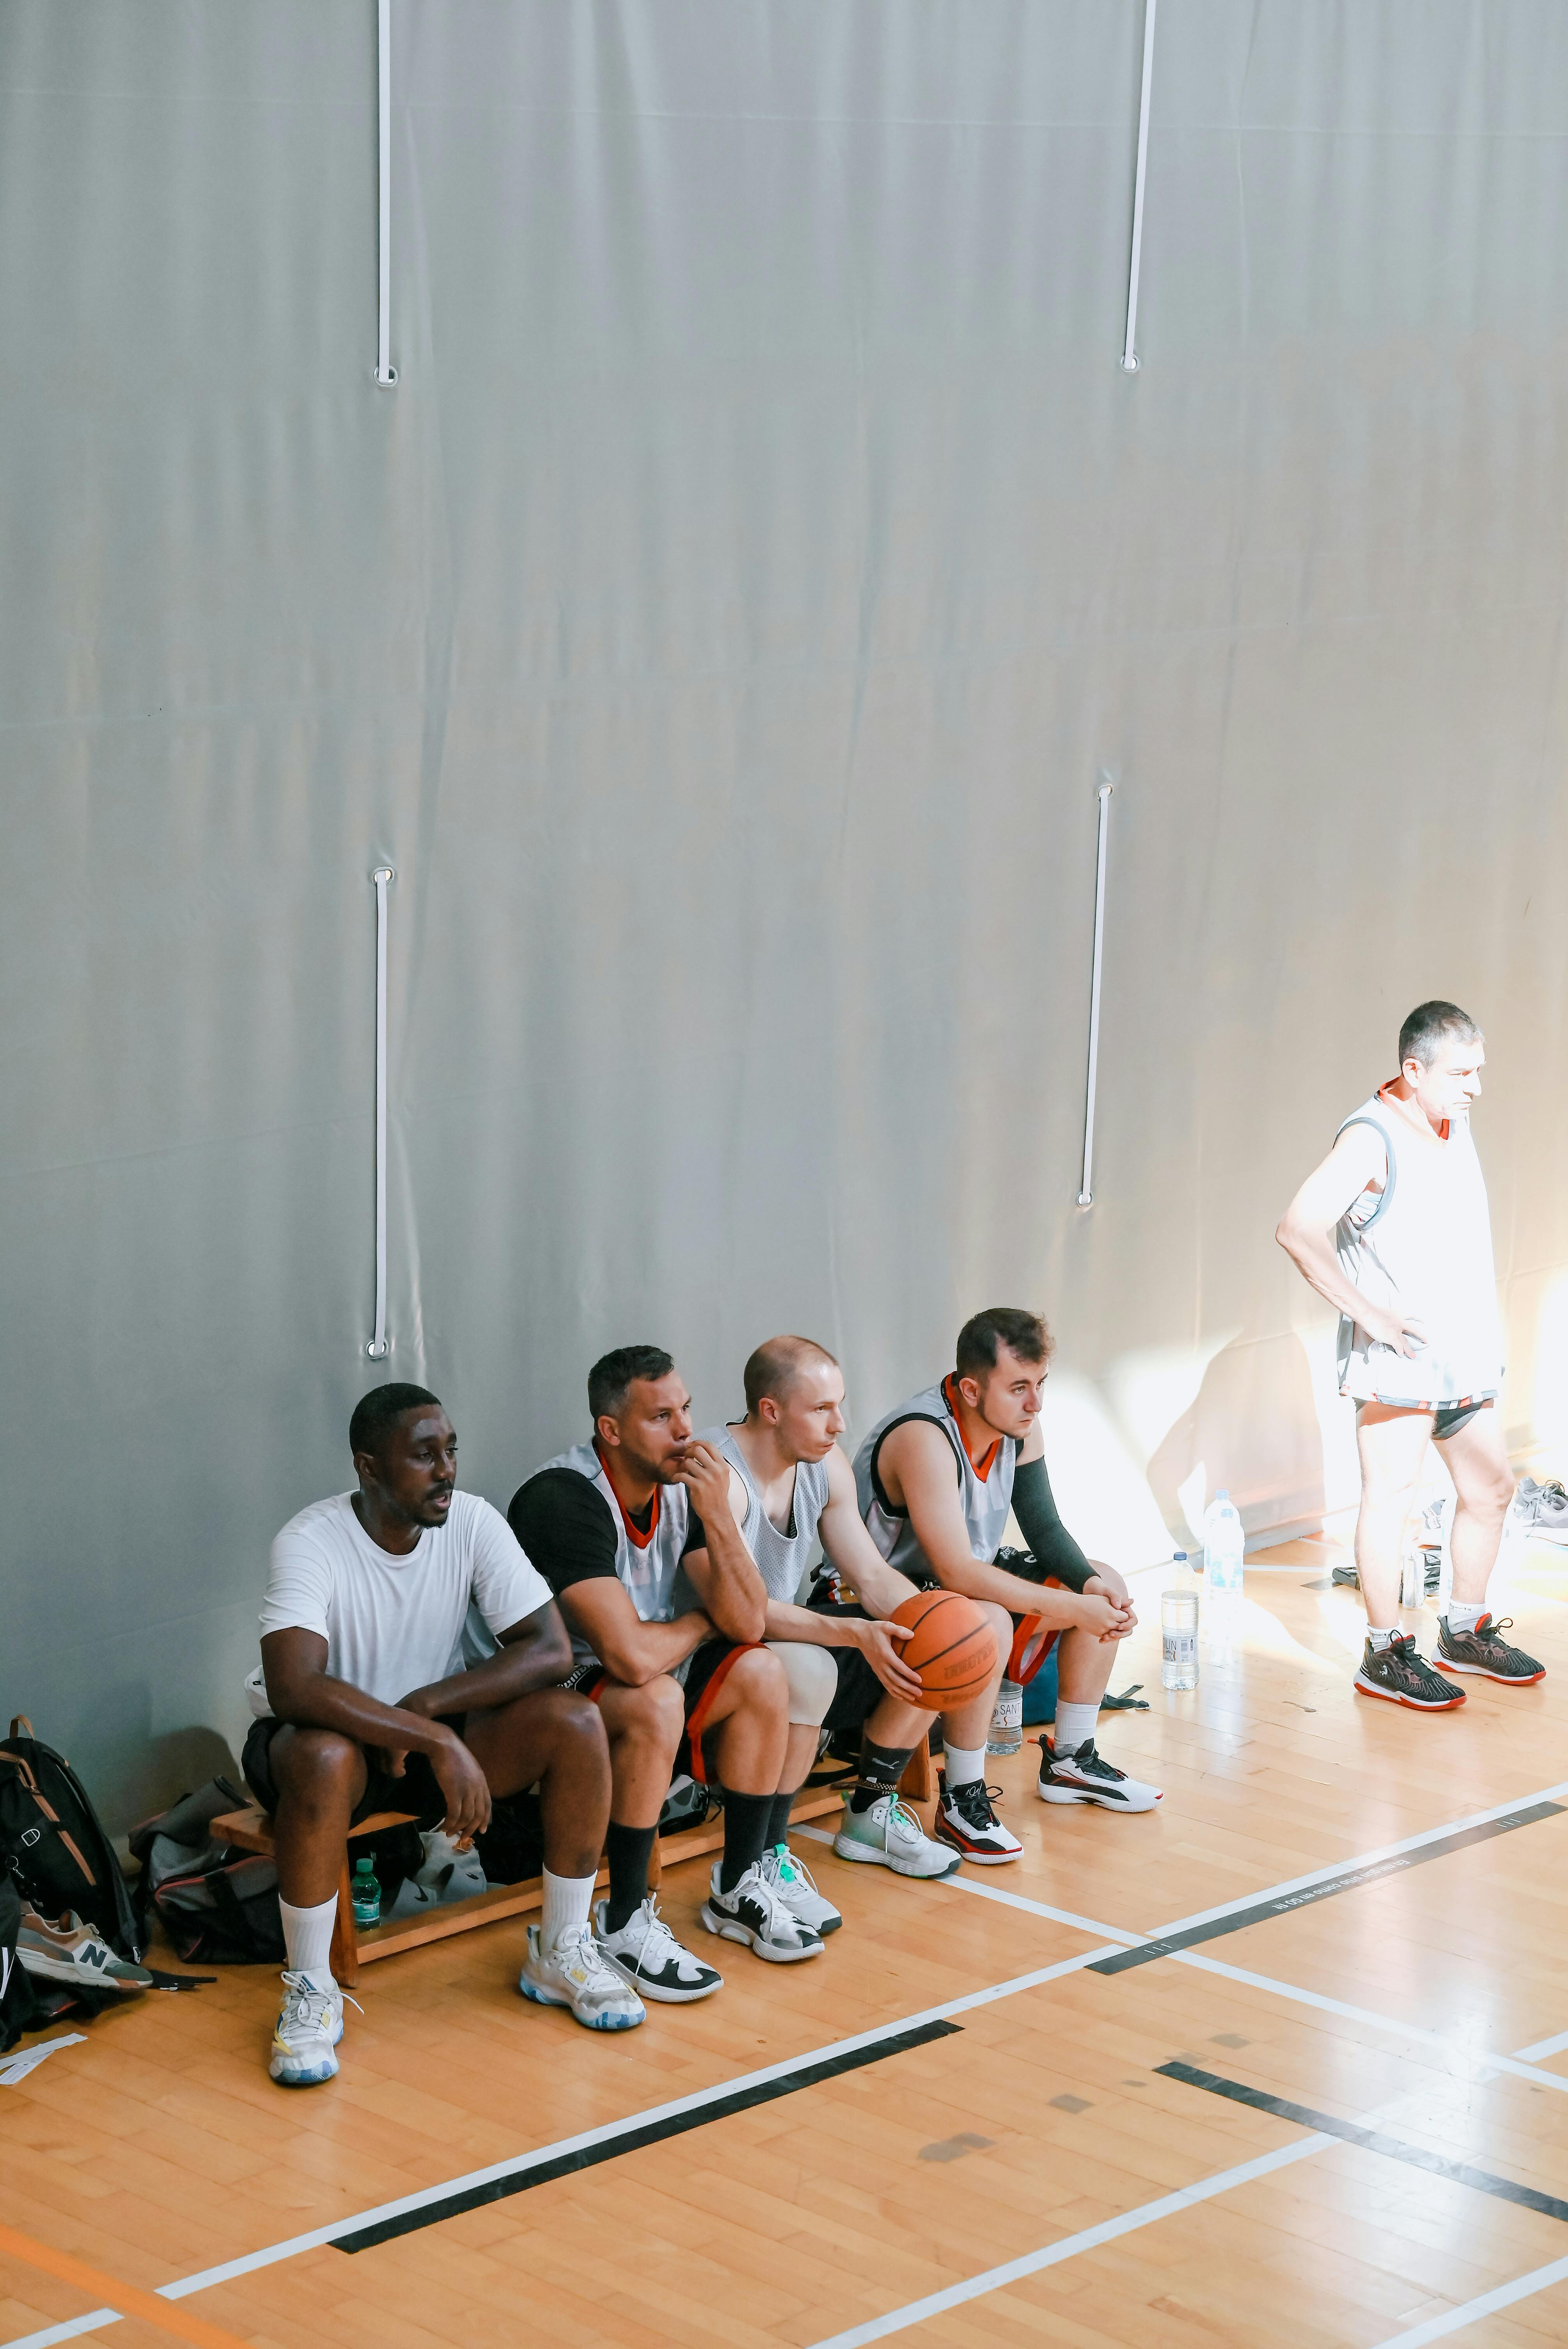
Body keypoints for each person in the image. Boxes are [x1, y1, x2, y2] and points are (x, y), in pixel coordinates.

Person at [244, 1383, 641, 2091]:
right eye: (423, 1456)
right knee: (325, 1753)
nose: (447, 1470)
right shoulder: (310, 1541)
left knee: (574, 1719)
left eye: (451, 1450)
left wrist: (430, 1711)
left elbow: (549, 1649)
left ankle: (563, 1947)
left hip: (423, 1732)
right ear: (369, 1468)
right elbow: (295, 1688)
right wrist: (432, 1738)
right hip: (326, 1744)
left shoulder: (472, 1521)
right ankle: (309, 1987)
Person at [508, 1346, 823, 1993]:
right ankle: (624, 1919)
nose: (684, 1431)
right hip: (546, 1693)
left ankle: (739, 1882)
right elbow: (626, 1655)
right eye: (661, 1417)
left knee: (763, 1671)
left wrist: (718, 1518)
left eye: (686, 1411)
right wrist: (700, 1624)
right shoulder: (563, 1497)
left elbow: (745, 1621)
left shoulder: (684, 1491)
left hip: (647, 1671)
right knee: (652, 1695)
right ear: (612, 1430)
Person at [1276, 1001, 1543, 1706]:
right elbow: (1298, 1229)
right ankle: (1384, 1651)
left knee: (1490, 1490)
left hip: (1461, 1357)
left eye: (1480, 1071)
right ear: (1412, 1070)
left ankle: (1464, 1628)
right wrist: (1370, 1315)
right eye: (1461, 1072)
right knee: (1390, 1502)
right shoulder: (1369, 1138)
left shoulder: (1452, 1117)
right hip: (1400, 1363)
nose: (1475, 1086)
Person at [852, 1307, 1162, 1855]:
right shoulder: (923, 1437)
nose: (1035, 1403)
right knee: (987, 1620)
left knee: (1103, 1580)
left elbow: (1044, 1528)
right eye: (1019, 1387)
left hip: (956, 1583)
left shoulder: (1021, 1427)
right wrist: (1074, 1611)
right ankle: (962, 1795)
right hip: (878, 1594)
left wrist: (1091, 1592)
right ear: (971, 1390)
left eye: (1040, 1384)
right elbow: (956, 1570)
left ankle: (1070, 1760)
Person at [683, 1336, 960, 1924]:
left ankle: (860, 1814)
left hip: (773, 1639)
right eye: (822, 1409)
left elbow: (870, 1575)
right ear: (771, 1411)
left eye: (841, 1404)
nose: (841, 1424)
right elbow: (745, 1616)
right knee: (811, 1664)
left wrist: (933, 1626)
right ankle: (758, 1857)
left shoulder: (823, 1464)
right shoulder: (718, 1475)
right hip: (701, 1654)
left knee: (938, 1640)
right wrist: (853, 1636)